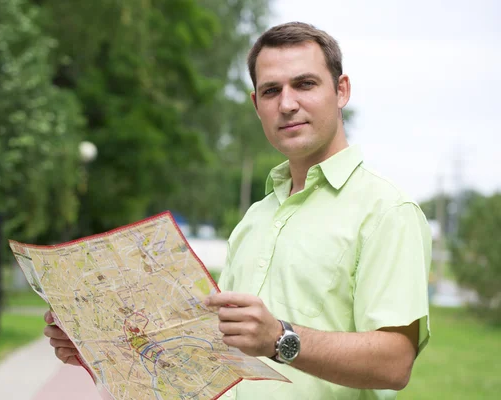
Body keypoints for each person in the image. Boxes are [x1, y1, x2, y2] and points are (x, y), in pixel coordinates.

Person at [44, 22, 431, 400]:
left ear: (341, 90)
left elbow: (394, 364)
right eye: (271, 90)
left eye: (305, 84)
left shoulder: (387, 210)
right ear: (256, 105)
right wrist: (105, 349)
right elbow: (216, 356)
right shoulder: (255, 219)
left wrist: (280, 339)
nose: (288, 103)